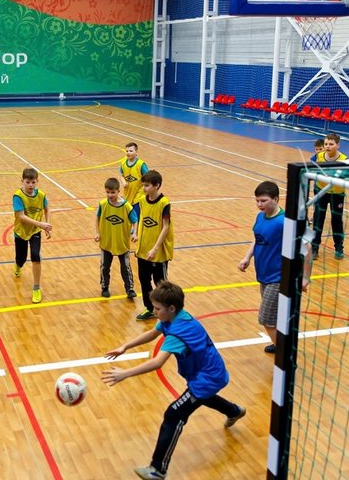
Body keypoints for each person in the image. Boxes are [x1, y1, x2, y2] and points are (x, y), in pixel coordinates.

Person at [102, 282, 246, 480]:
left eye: (157, 308)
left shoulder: (179, 332)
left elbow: (157, 362)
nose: (154, 311)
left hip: (207, 378)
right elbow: (152, 334)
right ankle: (235, 411)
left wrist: (125, 374)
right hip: (204, 373)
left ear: (171, 308)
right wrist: (125, 346)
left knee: (174, 414)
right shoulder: (173, 318)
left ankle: (157, 469)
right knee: (201, 398)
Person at [237, 181, 285, 354]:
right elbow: (257, 238)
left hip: (278, 277)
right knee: (275, 315)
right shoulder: (260, 217)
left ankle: (284, 352)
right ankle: (279, 343)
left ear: (276, 199)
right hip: (264, 274)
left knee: (266, 317)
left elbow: (305, 247)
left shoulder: (283, 222)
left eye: (263, 201)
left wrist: (304, 277)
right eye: (257, 201)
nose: (259, 204)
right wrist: (247, 257)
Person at [134, 170, 173, 321]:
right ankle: (150, 309)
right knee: (144, 280)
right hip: (143, 249)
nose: (144, 188)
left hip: (158, 251)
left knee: (161, 284)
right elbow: (142, 219)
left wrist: (155, 248)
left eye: (147, 185)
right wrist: (136, 233)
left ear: (156, 185)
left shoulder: (164, 203)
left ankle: (168, 310)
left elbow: (166, 227)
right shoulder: (142, 201)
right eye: (143, 185)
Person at [12, 168, 52, 304]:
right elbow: (21, 217)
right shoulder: (18, 196)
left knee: (36, 256)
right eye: (27, 182)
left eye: (33, 182)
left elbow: (47, 208)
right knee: (21, 258)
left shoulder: (41, 195)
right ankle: (18, 266)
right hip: (21, 232)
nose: (30, 185)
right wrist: (41, 224)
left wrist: (47, 225)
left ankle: (36, 288)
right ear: (22, 181)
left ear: (37, 182)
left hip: (35, 231)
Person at [94, 177, 138, 299]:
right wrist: (97, 232)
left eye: (113, 192)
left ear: (118, 191)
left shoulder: (126, 206)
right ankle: (105, 287)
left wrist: (134, 233)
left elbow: (135, 220)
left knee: (126, 268)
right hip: (107, 242)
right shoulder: (103, 204)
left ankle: (130, 289)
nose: (110, 195)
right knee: (105, 267)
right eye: (107, 192)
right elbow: (97, 217)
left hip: (121, 242)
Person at [311, 133, 348, 259]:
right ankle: (314, 248)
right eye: (326, 144)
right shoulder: (319, 156)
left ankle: (339, 248)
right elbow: (311, 167)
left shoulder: (344, 159)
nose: (328, 146)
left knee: (336, 221)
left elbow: (346, 175)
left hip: (337, 194)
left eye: (331, 144)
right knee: (318, 220)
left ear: (338, 145)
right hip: (321, 191)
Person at [119, 142, 149, 206]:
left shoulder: (141, 164)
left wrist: (145, 187)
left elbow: (148, 177)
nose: (128, 153)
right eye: (127, 151)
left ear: (136, 152)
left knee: (136, 210)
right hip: (128, 193)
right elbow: (121, 175)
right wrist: (123, 182)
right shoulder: (123, 163)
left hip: (139, 193)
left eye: (131, 151)